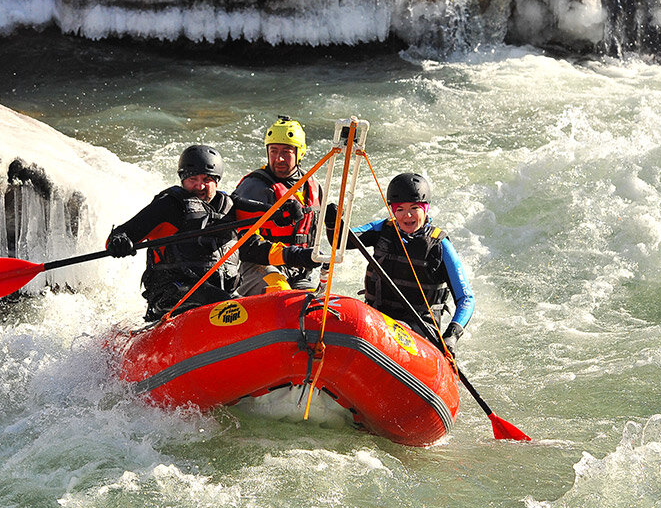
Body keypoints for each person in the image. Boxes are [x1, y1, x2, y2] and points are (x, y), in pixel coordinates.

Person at [106, 144, 315, 321]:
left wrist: (295, 246)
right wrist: (119, 241)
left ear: (217, 180)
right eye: (192, 179)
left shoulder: (230, 207)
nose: (200, 185)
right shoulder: (168, 206)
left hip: (220, 295)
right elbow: (122, 234)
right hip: (173, 295)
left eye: (207, 179)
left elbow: (260, 230)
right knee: (231, 307)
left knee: (243, 303)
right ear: (182, 179)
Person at [328, 172, 473, 355]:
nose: (407, 215)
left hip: (419, 330)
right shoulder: (383, 229)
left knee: (389, 332)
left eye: (414, 208)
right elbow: (341, 241)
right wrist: (333, 223)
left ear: (425, 208)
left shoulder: (440, 245)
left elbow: (466, 298)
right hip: (377, 318)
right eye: (400, 209)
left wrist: (451, 336)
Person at [232, 116, 324, 296]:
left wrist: (333, 220)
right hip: (261, 265)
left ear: (300, 152)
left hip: (302, 268)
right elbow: (244, 246)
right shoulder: (254, 187)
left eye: (286, 151)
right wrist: (290, 255)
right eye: (273, 151)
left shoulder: (313, 184)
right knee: (281, 293)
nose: (279, 158)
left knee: (314, 305)